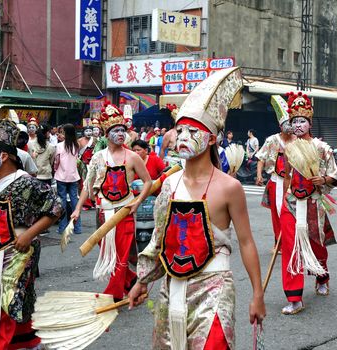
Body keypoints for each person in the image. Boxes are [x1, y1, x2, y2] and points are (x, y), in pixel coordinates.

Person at [128, 67, 265, 349]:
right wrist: (142, 281)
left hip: (215, 287)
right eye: (180, 130)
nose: (183, 137)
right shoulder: (168, 184)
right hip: (171, 288)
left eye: (193, 131)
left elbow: (247, 242)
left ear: (212, 138)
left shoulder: (230, 187)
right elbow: (160, 239)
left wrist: (258, 294)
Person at [0, 119, 62, 350]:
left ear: (2, 156)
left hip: (18, 253)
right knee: (9, 299)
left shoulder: (26, 182)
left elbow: (56, 207)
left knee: (8, 300)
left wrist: (29, 234)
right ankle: (28, 341)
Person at [71, 102, 152, 302]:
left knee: (122, 255)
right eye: (115, 130)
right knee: (109, 252)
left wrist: (137, 202)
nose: (120, 134)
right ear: (107, 134)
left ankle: (112, 293)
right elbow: (87, 185)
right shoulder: (98, 158)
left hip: (124, 212)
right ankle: (132, 283)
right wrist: (78, 209)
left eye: (122, 130)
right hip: (103, 212)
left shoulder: (133, 157)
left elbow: (148, 182)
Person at [279, 91, 337, 315]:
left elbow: (335, 175)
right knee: (290, 248)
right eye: (294, 121)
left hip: (314, 202)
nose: (297, 125)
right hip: (291, 203)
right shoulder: (288, 149)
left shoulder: (322, 148)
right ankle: (294, 298)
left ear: (309, 123)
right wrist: (283, 202)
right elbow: (286, 176)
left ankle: (322, 276)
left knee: (316, 246)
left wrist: (323, 179)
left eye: (302, 120)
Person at [256, 95, 296, 251]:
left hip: (294, 181)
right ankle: (278, 243)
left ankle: (292, 242)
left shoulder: (297, 140)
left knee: (292, 212)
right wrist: (259, 175)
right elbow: (261, 158)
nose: (290, 128)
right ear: (280, 126)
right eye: (286, 125)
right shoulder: (272, 140)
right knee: (277, 213)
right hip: (276, 180)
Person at [54, 123, 82, 234]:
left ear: (66, 133)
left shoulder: (60, 146)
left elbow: (57, 161)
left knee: (62, 201)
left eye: (63, 132)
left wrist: (55, 169)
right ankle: (78, 228)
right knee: (75, 201)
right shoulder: (76, 145)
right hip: (73, 176)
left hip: (61, 176)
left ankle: (62, 228)